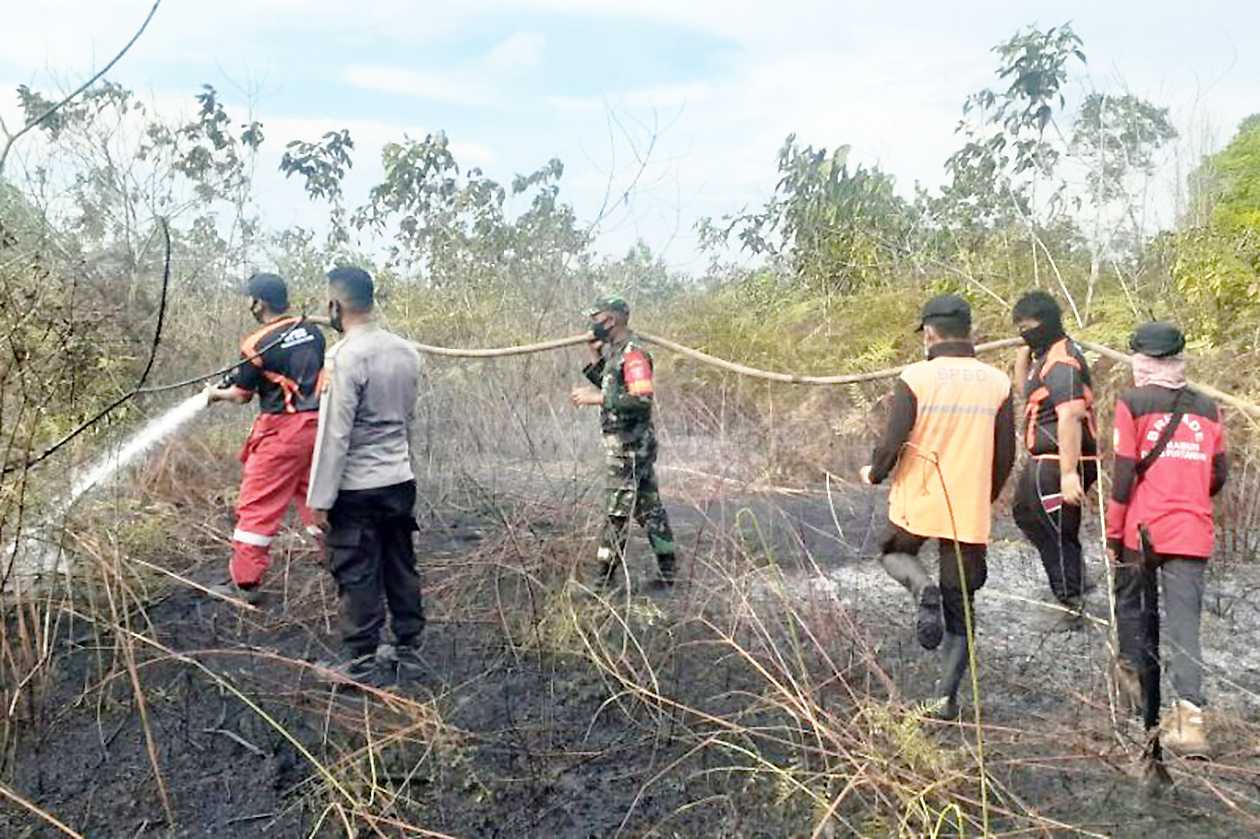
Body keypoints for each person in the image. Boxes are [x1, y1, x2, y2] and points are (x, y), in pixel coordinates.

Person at [860, 294, 1015, 719]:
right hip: (967, 506)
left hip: (919, 498)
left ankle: (920, 589)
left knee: (894, 551)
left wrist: (875, 473)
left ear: (929, 333)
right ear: (971, 332)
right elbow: (1006, 455)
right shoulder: (998, 382)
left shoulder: (916, 377)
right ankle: (945, 700)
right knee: (961, 603)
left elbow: (893, 441)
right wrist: (986, 497)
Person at [1107, 322, 1227, 756]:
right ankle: (1191, 722)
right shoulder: (1209, 408)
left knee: (1130, 606)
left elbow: (1123, 473)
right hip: (1191, 531)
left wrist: (1113, 529)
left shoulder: (1132, 402)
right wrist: (1189, 491)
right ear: (1179, 356)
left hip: (1143, 530)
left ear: (1140, 359)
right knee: (1184, 628)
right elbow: (1218, 473)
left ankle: (1137, 687)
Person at [307, 266, 425, 687]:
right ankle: (409, 650)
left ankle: (359, 666)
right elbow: (407, 418)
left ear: (335, 306)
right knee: (400, 563)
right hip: (399, 480)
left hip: (358, 488)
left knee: (357, 571)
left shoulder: (344, 357)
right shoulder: (406, 350)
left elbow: (335, 434)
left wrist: (320, 498)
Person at [205, 273, 326, 604]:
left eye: (251, 299)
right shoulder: (312, 332)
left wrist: (216, 394)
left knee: (256, 506)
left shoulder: (256, 344)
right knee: (314, 495)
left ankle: (244, 583)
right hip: (318, 427)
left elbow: (242, 395)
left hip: (281, 434)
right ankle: (339, 557)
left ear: (260, 303)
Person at [570, 295, 677, 591]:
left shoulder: (634, 354)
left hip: (630, 448)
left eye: (596, 317)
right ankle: (669, 574)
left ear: (611, 320)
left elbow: (641, 399)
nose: (593, 324)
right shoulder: (617, 352)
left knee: (616, 512)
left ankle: (603, 582)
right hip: (627, 446)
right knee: (650, 508)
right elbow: (611, 383)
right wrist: (595, 356)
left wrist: (595, 399)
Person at [1010, 291, 1099, 627]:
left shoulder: (1063, 361)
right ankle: (1073, 580)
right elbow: (1029, 395)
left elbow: (1071, 415)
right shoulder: (1043, 357)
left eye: (1027, 326)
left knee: (1059, 529)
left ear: (1047, 322)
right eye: (1018, 327)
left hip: (1060, 460)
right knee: (1025, 514)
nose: (1023, 331)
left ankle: (1072, 603)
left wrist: (1069, 473)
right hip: (1042, 460)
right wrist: (1022, 357)